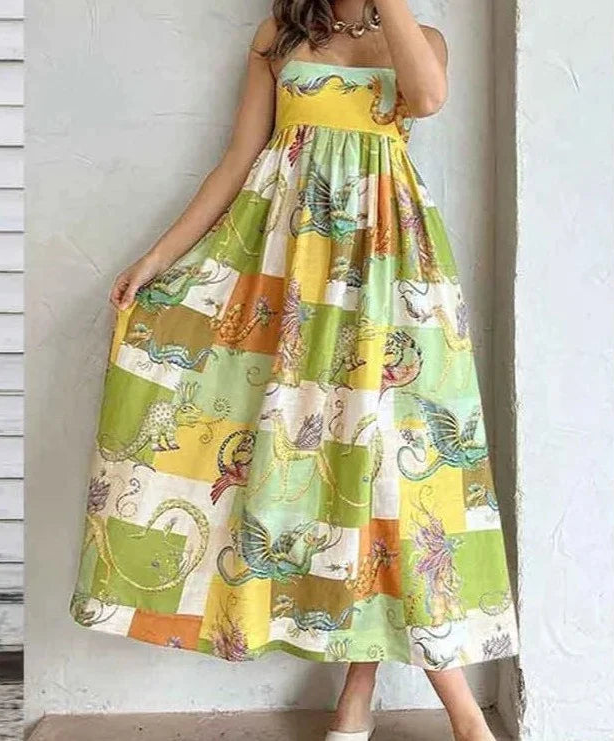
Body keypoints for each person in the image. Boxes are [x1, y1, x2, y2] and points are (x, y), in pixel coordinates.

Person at [69, 2, 519, 739]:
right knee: (323, 469)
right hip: (286, 275)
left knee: (394, 471)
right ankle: (381, 703)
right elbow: (238, 158)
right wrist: (155, 258)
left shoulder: (423, 38)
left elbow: (429, 98)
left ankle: (430, 708)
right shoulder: (279, 34)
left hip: (388, 274)